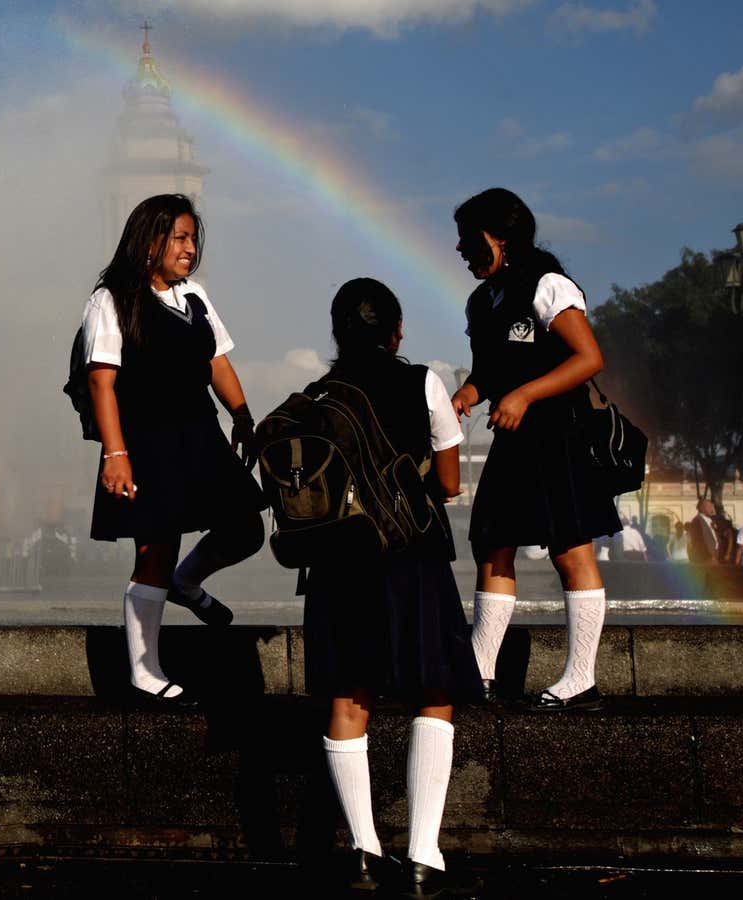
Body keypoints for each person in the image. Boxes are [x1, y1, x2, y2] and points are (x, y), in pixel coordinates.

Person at [303, 279, 481, 894]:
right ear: (396, 331)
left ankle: (363, 849)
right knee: (433, 691)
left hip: (336, 563)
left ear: (338, 332)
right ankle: (425, 854)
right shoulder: (422, 383)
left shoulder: (318, 395)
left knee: (350, 696)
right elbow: (451, 484)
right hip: (410, 558)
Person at [81, 193, 266, 705]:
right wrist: (116, 455)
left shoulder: (196, 297)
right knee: (154, 548)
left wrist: (243, 417)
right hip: (145, 440)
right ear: (150, 241)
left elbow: (218, 364)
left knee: (247, 525)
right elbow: (102, 384)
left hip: (200, 434)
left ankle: (189, 581)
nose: (189, 250)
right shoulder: (111, 298)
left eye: (192, 239)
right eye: (180, 239)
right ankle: (144, 669)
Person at [451, 188, 620, 712]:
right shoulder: (484, 301)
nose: (460, 250)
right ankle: (478, 671)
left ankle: (581, 679)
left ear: (502, 238)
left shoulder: (547, 285)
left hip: (560, 435)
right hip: (513, 439)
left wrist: (524, 394)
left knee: (572, 551)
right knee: (492, 545)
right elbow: (491, 372)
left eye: (467, 239)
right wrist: (467, 394)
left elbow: (588, 358)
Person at [685, 499, 721, 566]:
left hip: (716, 557)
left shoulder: (712, 520)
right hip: (706, 559)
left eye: (712, 506)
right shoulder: (697, 521)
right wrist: (709, 557)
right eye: (709, 507)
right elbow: (697, 542)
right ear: (702, 508)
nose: (712, 509)